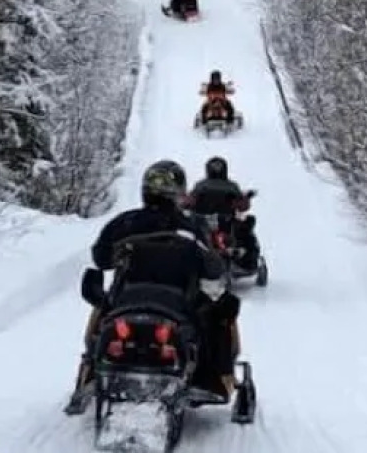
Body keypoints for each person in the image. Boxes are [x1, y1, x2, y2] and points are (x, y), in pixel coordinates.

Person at [65, 160, 242, 413]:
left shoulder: (125, 223)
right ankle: (221, 375)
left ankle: (90, 368)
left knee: (102, 308)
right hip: (177, 306)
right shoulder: (191, 227)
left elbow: (100, 258)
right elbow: (213, 267)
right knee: (222, 313)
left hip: (127, 303)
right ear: (179, 192)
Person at [187, 156, 261, 270]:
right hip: (221, 222)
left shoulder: (200, 185)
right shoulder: (231, 186)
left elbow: (189, 202)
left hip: (206, 222)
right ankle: (248, 261)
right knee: (246, 231)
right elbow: (243, 206)